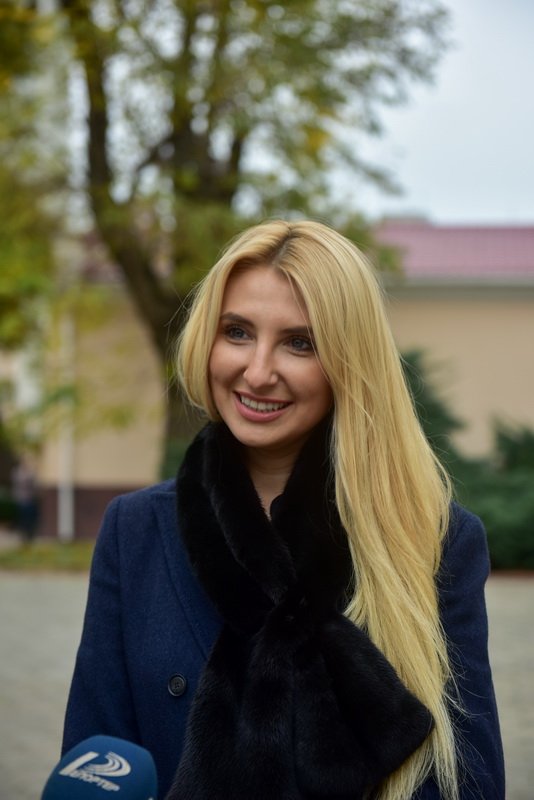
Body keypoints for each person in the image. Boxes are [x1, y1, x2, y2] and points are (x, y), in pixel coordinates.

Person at [62, 220, 504, 799]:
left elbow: (468, 781)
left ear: (349, 362)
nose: (257, 371)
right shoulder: (136, 530)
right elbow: (95, 762)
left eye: (300, 343)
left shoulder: (435, 538)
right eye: (237, 332)